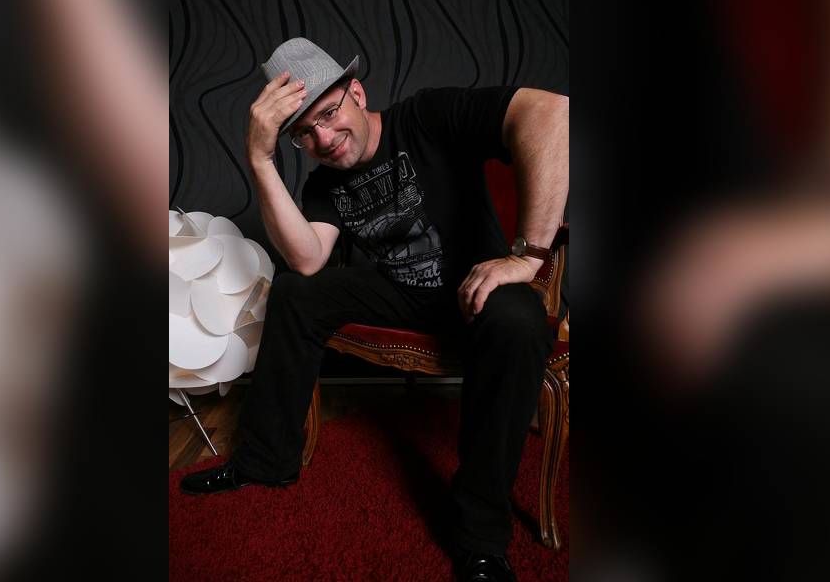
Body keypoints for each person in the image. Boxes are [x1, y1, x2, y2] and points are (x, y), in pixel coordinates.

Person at [179, 37, 568, 582]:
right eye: (303, 133)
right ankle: (264, 462)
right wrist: (260, 159)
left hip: (474, 290)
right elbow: (308, 259)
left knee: (519, 320)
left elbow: (551, 111)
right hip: (401, 291)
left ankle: (480, 536)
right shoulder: (323, 183)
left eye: (328, 113)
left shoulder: (427, 116)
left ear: (357, 93)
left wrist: (526, 256)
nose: (323, 138)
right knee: (294, 291)